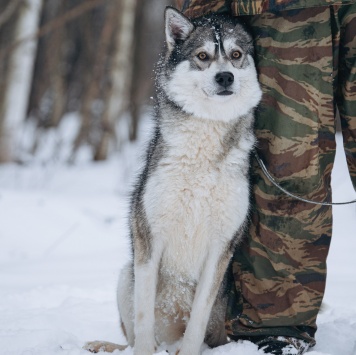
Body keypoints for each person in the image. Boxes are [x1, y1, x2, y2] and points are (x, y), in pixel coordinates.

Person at [175, 1, 356, 354]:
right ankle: (272, 321)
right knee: (268, 162)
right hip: (248, 8)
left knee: (290, 159)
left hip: (317, 12)